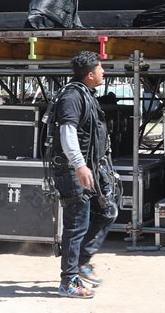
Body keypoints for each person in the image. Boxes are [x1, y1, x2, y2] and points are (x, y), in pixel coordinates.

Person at [50, 51, 117, 299]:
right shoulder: (72, 97)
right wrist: (79, 165)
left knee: (107, 212)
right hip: (73, 170)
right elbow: (67, 133)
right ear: (90, 74)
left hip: (90, 168)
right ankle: (68, 281)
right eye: (100, 68)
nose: (103, 71)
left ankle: (81, 261)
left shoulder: (86, 94)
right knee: (76, 225)